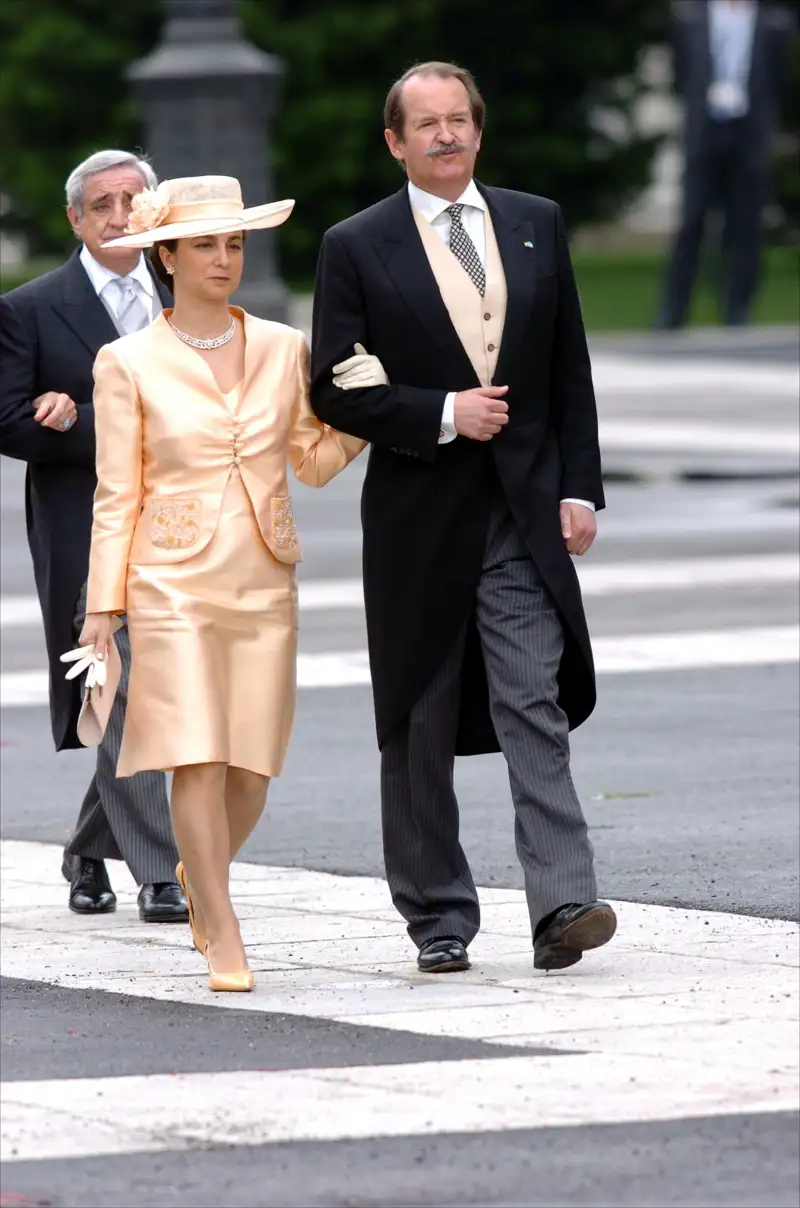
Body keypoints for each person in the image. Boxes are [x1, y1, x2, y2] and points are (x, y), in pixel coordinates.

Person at [312, 61, 617, 975]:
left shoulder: (534, 222)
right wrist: (444, 412)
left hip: (521, 512)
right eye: (426, 124)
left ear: (478, 131)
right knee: (419, 719)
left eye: (459, 120)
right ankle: (438, 918)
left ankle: (563, 901)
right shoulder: (355, 244)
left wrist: (578, 486)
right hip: (416, 520)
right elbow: (337, 379)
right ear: (394, 141)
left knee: (536, 701)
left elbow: (568, 369)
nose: (446, 136)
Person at [79, 174, 365, 992]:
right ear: (164, 258)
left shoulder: (284, 346)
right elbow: (115, 492)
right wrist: (104, 607)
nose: (224, 258)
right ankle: (221, 917)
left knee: (253, 766)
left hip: (264, 575)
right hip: (169, 580)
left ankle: (198, 875)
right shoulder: (125, 361)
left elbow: (310, 462)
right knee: (196, 756)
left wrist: (363, 415)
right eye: (204, 244)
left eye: (234, 243)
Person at [0, 150, 187, 924]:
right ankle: (159, 871)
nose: (118, 216)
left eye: (131, 200)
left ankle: (87, 844)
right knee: (118, 693)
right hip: (87, 527)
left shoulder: (187, 292)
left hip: (187, 524)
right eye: (101, 204)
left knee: (161, 694)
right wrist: (78, 420)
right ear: (76, 219)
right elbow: (8, 420)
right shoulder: (32, 307)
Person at [656, 0, 794, 329]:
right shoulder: (689, 17)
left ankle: (738, 310)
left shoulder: (774, 21)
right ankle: (673, 313)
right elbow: (681, 75)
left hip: (749, 133)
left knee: (746, 224)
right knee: (692, 221)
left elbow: (779, 79)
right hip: (704, 131)